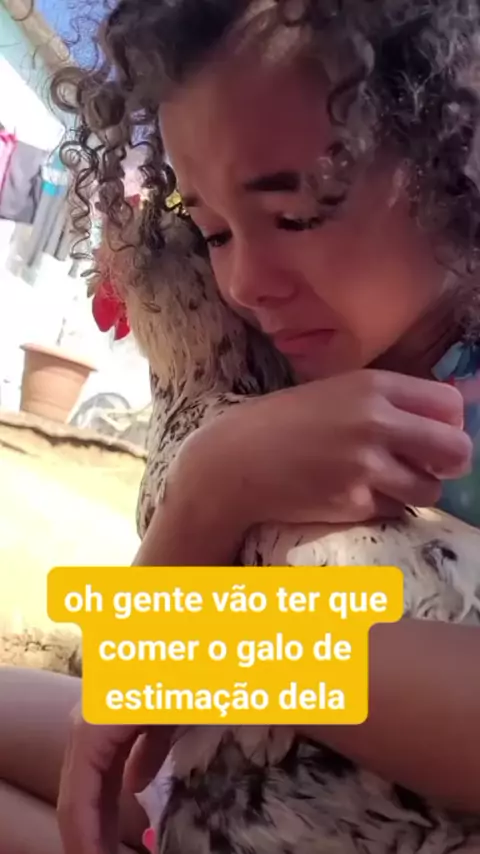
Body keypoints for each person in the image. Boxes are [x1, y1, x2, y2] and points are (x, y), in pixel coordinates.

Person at [2, 0, 480, 852]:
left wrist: (209, 640)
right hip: (220, 769)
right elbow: (130, 666)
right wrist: (212, 488)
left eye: (298, 214)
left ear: (457, 156)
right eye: (214, 231)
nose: (246, 283)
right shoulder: (285, 365)